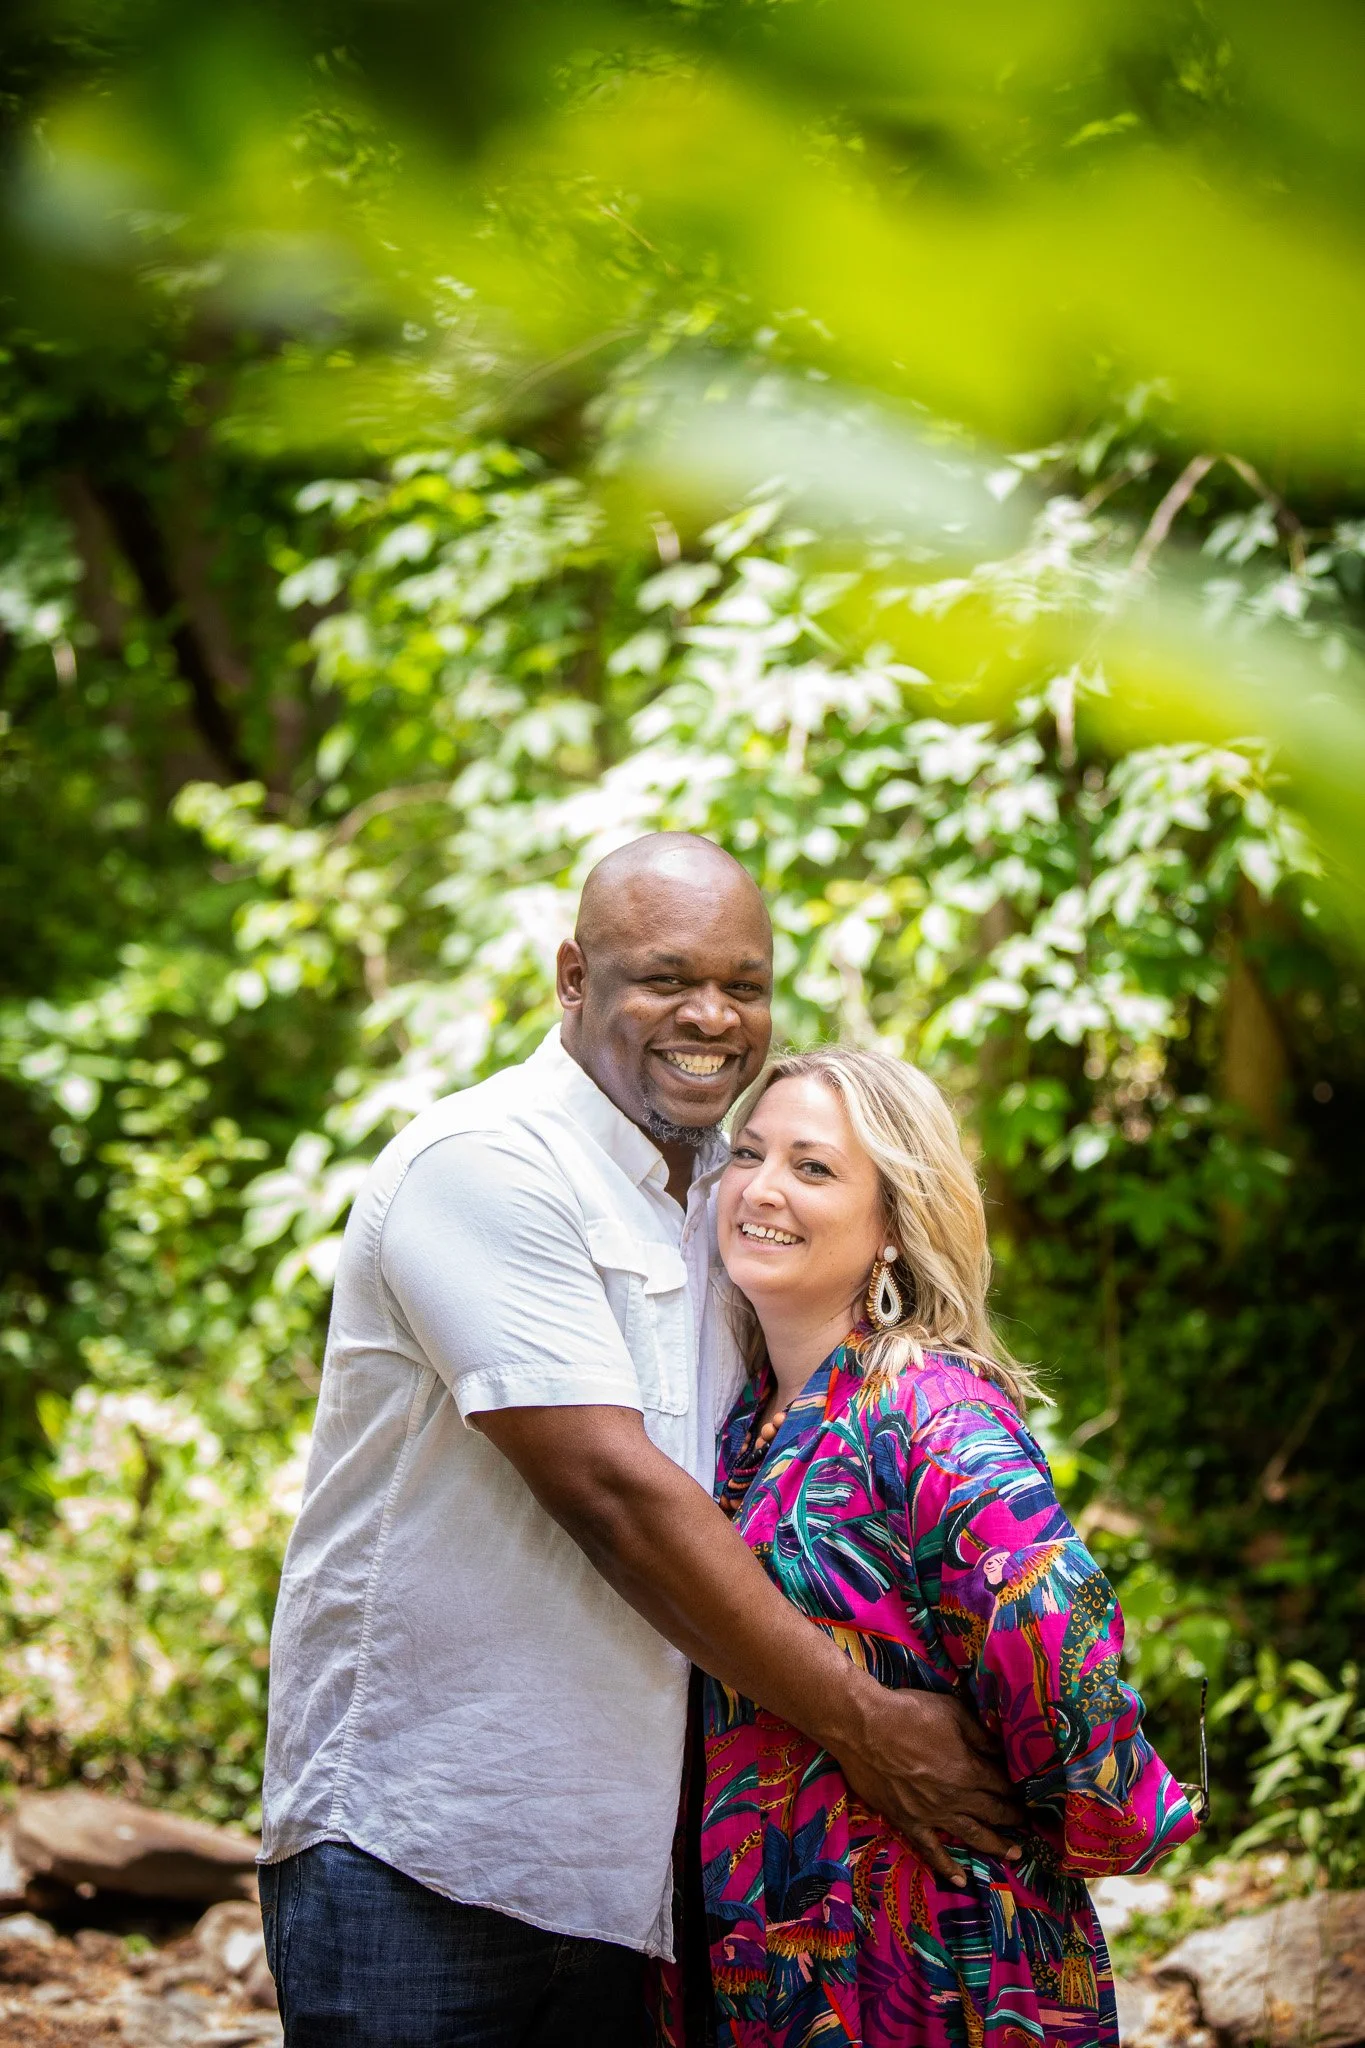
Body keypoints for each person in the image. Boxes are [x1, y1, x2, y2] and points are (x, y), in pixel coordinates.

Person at [258, 835, 1021, 2048]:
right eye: (667, 977)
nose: (712, 1015)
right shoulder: (488, 1163)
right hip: (422, 1851)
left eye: (744, 984)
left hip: (638, 1881)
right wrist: (866, 1723)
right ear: (574, 977)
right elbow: (618, 1495)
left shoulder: (731, 1190)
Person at [668, 1045, 1199, 2048]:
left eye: (812, 1166)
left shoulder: (930, 1412)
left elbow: (1054, 1632)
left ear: (892, 1226)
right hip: (764, 1948)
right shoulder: (740, 1417)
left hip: (925, 1950)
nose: (761, 1187)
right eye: (747, 1152)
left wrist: (1076, 1811)